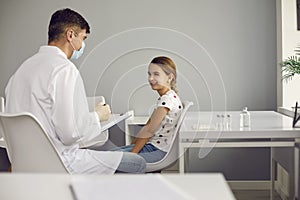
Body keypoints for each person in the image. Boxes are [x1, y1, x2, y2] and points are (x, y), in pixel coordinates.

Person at [5, 8, 146, 174]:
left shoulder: (21, 70)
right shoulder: (64, 70)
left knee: (114, 156)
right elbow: (70, 134)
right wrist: (98, 116)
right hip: (62, 163)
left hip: (23, 166)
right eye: (83, 38)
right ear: (70, 35)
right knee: (138, 163)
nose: (82, 45)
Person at [111, 56, 183, 163]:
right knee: (111, 154)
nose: (150, 78)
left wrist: (132, 155)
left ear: (170, 77)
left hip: (156, 150)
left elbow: (149, 131)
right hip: (153, 147)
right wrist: (131, 147)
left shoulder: (166, 101)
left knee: (110, 159)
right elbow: (147, 127)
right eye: (149, 74)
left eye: (156, 74)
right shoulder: (168, 97)